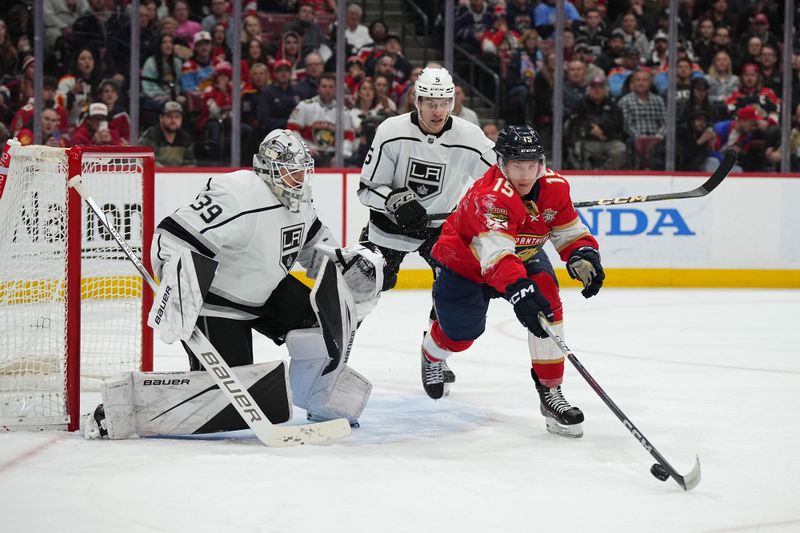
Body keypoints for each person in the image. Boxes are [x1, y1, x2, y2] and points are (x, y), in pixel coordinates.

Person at [84, 129, 382, 439]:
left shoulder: (300, 198)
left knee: (322, 320)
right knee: (229, 402)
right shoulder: (239, 194)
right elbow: (171, 237)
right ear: (268, 168)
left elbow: (313, 245)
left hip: (267, 293)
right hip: (218, 306)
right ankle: (122, 410)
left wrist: (344, 263)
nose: (298, 177)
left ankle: (317, 398)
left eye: (301, 169)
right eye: (289, 169)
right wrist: (177, 284)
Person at [420, 125, 602, 439]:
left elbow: (568, 231)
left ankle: (550, 393)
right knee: (461, 336)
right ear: (502, 163)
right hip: (465, 264)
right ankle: (431, 353)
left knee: (547, 303)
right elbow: (496, 256)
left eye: (531, 165)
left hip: (523, 255)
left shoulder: (555, 187)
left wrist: (582, 253)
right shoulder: (490, 196)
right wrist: (518, 291)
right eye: (517, 165)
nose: (525, 174)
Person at [357, 67, 496, 386]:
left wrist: (539, 191)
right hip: (387, 229)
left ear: (452, 103)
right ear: (415, 101)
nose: (437, 110)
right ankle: (333, 362)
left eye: (443, 102)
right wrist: (394, 200)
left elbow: (501, 179)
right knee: (359, 292)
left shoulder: (470, 136)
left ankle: (435, 354)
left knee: (453, 291)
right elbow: (367, 188)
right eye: (429, 102)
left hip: (441, 230)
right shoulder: (391, 131)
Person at [138, 101, 196, 167]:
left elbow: (190, 163)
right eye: (169, 116)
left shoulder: (185, 138)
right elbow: (143, 159)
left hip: (178, 176)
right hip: (155, 175)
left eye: (177, 117)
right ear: (161, 118)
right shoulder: (151, 134)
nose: (173, 120)